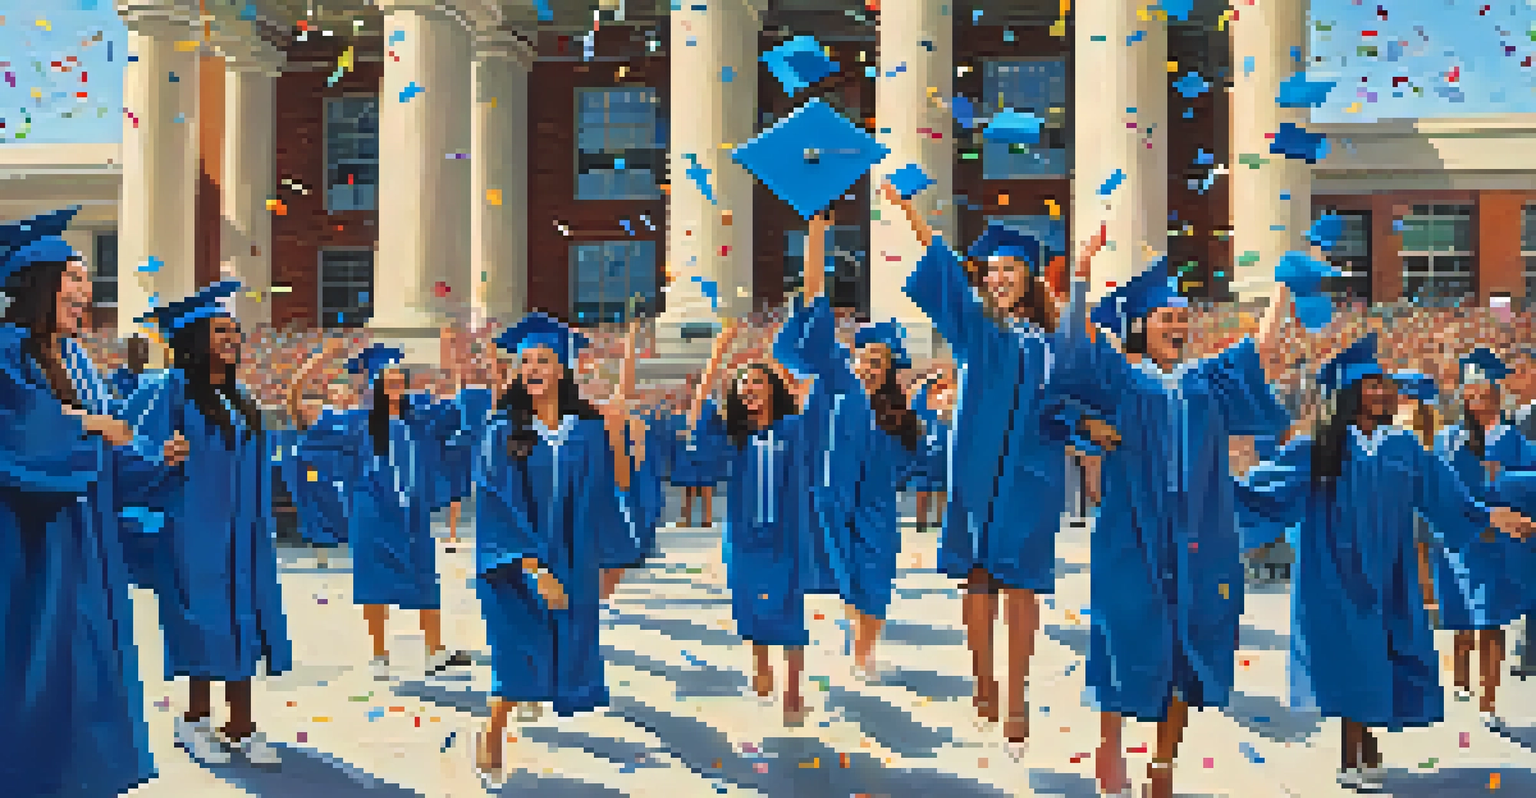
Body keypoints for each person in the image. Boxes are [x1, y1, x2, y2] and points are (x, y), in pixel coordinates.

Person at [1236, 334, 1536, 792]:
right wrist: (1211, 486)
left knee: (1384, 656)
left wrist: (1491, 515)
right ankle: (1352, 749)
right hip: (1334, 575)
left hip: (1390, 575)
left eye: (1385, 385)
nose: (1381, 393)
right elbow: (1261, 491)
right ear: (1348, 394)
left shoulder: (1404, 447)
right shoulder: (1317, 448)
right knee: (1349, 658)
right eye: (1370, 385)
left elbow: (1446, 495)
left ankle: (1366, 741)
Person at [1050, 253, 1294, 798]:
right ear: (1140, 324)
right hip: (1129, 534)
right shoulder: (1120, 376)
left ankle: (1163, 765)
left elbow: (1259, 352)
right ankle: (1110, 742)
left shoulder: (1205, 379)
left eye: (1183, 317)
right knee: (1120, 633)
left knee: (1191, 641)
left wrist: (1282, 292)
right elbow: (1065, 381)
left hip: (1198, 536)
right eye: (1167, 316)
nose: (1179, 325)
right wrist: (1082, 275)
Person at [882, 181, 1116, 744]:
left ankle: (1016, 695)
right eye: (992, 269)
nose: (1000, 277)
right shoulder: (974, 330)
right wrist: (911, 212)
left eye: (1012, 269)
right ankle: (983, 681)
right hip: (975, 472)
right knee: (978, 578)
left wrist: (1081, 269)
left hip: (1031, 474)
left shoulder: (1046, 341)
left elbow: (1076, 374)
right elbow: (941, 269)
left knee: (1022, 584)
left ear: (1030, 278)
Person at [0, 206, 188, 795]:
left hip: (84, 540)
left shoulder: (79, 359)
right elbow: (18, 431)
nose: (85, 291)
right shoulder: (7, 349)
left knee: (84, 663)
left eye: (85, 280)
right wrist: (87, 425)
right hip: (31, 539)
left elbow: (112, 450)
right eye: (73, 278)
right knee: (34, 663)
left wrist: (157, 460)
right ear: (38, 285)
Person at [122, 279, 292, 765]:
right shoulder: (169, 389)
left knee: (244, 620)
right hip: (193, 529)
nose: (231, 340)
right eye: (221, 331)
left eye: (235, 332)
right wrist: (160, 455)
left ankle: (240, 723)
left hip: (243, 532)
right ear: (196, 339)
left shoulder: (241, 399)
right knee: (204, 621)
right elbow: (129, 445)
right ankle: (195, 720)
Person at [465, 313, 638, 782]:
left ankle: (525, 704)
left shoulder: (585, 431)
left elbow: (607, 493)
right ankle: (493, 732)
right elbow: (497, 506)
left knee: (558, 645)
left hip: (573, 560)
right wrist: (533, 568)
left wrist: (614, 562)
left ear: (561, 368)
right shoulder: (503, 430)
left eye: (543, 359)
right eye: (525, 361)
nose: (533, 368)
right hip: (514, 564)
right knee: (516, 649)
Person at [774, 212, 922, 678]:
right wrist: (817, 233)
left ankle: (863, 652)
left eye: (876, 360)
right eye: (863, 358)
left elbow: (913, 463)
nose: (867, 366)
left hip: (875, 505)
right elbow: (816, 300)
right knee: (847, 576)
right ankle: (858, 644)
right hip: (835, 499)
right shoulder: (838, 382)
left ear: (890, 367)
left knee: (874, 577)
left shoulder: (903, 416)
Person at [296, 341, 472, 680]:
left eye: (399, 380)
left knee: (424, 578)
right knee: (373, 583)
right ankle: (379, 654)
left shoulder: (421, 417)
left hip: (413, 513)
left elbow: (459, 407)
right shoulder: (356, 422)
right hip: (372, 513)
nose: (395, 386)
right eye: (387, 381)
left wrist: (454, 362)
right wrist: (315, 363)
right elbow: (302, 414)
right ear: (374, 386)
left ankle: (434, 651)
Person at [686, 313, 822, 724]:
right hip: (745, 535)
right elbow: (696, 416)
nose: (750, 389)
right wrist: (718, 354)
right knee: (749, 602)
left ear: (772, 390)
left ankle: (794, 692)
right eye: (743, 385)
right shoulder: (732, 434)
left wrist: (781, 356)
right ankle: (760, 660)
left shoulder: (794, 429)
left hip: (788, 533)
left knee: (790, 607)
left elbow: (813, 396)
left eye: (758, 383)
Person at [1431, 348, 1536, 726]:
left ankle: (1488, 701)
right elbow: (1437, 485)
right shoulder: (1447, 438)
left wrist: (1499, 479)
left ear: (1497, 395)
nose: (1479, 403)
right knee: (1459, 616)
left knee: (1490, 619)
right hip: (1457, 539)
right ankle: (1461, 680)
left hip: (1494, 542)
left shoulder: (1514, 439)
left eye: (1485, 395)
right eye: (1472, 395)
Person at [285, 336, 356, 568]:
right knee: (317, 509)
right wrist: (320, 359)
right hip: (312, 470)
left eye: (344, 389)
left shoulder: (354, 415)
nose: (341, 393)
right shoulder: (315, 411)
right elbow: (294, 391)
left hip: (342, 469)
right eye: (336, 389)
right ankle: (322, 553)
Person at [669, 371, 723, 528]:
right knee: (688, 485)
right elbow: (676, 425)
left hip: (706, 450)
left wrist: (712, 447)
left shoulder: (712, 407)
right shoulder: (684, 405)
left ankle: (707, 518)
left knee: (706, 485)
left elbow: (718, 429)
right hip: (687, 449)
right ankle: (686, 517)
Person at [907, 363, 955, 535]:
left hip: (935, 446)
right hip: (929, 447)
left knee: (937, 483)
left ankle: (932, 522)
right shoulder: (924, 399)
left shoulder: (938, 398)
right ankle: (925, 521)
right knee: (929, 482)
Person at [110, 334, 150, 400]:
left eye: (144, 351)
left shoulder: (151, 378)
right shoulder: (118, 375)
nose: (140, 355)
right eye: (135, 351)